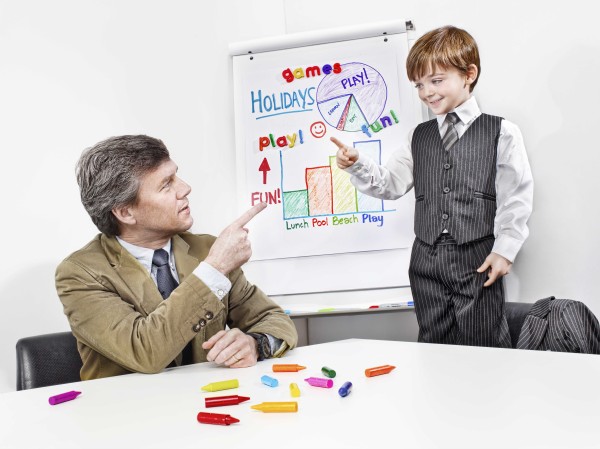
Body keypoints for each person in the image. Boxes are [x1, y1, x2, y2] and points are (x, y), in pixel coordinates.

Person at [332, 26, 533, 348]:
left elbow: (516, 197)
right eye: (419, 85)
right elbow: (391, 183)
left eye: (436, 81)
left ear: (469, 74)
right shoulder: (419, 135)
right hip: (425, 256)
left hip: (476, 255)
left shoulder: (502, 132)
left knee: (484, 341)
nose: (427, 92)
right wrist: (357, 163)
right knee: (433, 342)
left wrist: (504, 251)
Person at [56, 135, 297, 380]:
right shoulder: (80, 273)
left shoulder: (206, 248)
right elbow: (145, 352)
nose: (185, 188)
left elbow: (273, 318)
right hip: (129, 412)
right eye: (166, 184)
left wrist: (255, 343)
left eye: (176, 176)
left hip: (207, 404)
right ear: (126, 212)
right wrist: (214, 269)